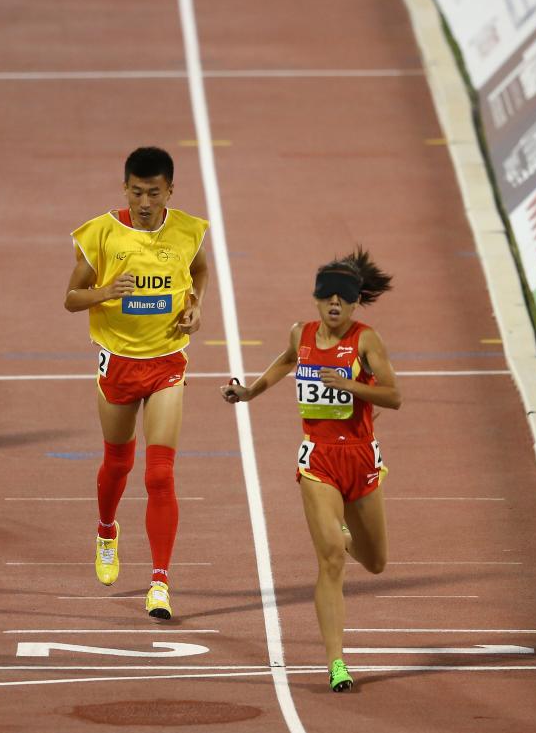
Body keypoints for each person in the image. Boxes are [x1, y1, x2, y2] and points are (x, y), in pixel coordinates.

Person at [220, 248, 400, 692]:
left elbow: (394, 396)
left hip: (360, 457)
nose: (334, 304)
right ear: (317, 300)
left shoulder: (366, 341)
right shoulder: (301, 334)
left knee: (374, 562)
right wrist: (249, 392)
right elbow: (285, 361)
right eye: (326, 298)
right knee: (331, 559)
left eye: (342, 298)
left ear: (355, 303)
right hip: (318, 458)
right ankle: (336, 661)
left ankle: (346, 534)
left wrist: (351, 385)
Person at [64, 147, 209, 620]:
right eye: (136, 191)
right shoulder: (102, 233)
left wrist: (195, 304)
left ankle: (160, 584)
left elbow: (200, 270)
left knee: (160, 474)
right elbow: (71, 297)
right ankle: (107, 529)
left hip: (167, 363)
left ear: (170, 191)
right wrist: (105, 292)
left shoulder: (188, 230)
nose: (145, 201)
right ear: (125, 188)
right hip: (120, 365)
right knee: (118, 464)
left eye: (154, 192)